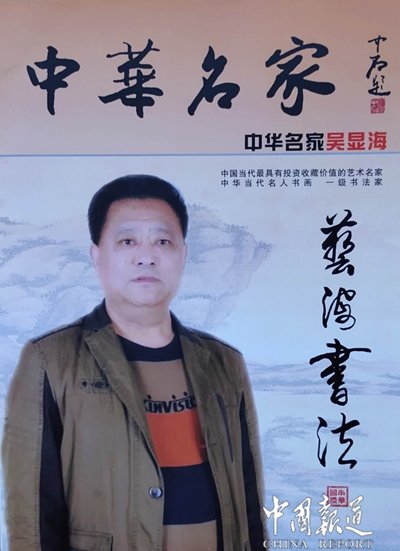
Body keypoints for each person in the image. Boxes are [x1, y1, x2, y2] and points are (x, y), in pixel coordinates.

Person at [2, 174, 268, 551]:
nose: (146, 256)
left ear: (183, 254)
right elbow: (32, 513)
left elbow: (248, 499)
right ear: (97, 255)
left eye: (162, 241)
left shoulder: (225, 362)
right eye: (127, 241)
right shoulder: (51, 360)